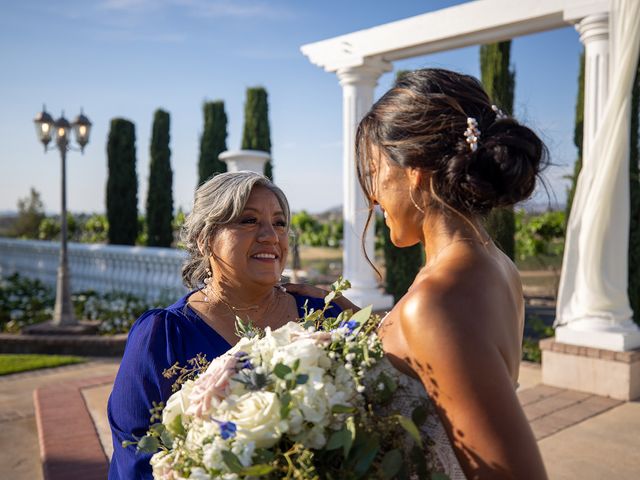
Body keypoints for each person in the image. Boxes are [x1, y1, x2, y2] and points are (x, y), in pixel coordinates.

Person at [355, 68, 549, 479]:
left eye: (375, 173)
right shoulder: (493, 262)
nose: (372, 195)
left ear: (415, 170)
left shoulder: (437, 301)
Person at [107, 171, 349, 479]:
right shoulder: (163, 336)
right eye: (249, 221)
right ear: (205, 239)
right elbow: (137, 456)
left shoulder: (321, 316)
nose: (271, 236)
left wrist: (351, 312)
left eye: (279, 223)